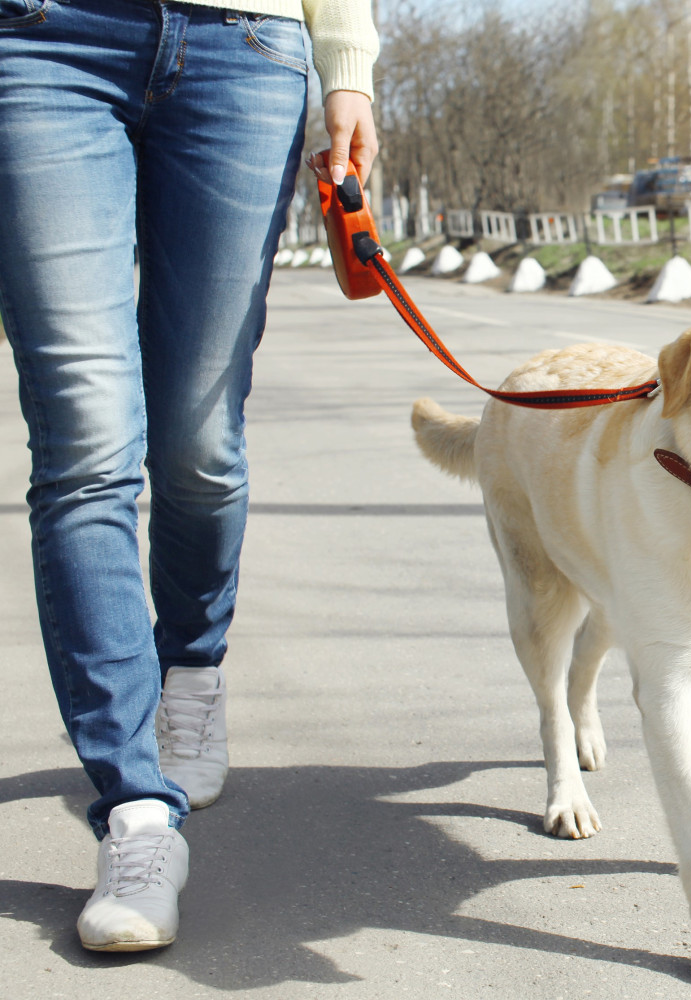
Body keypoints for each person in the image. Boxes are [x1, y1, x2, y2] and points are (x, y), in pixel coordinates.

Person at [0, 0, 378, 951]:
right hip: (40, 38)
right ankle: (136, 814)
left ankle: (192, 671)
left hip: (242, 46)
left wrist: (347, 66)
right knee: (86, 443)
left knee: (199, 443)